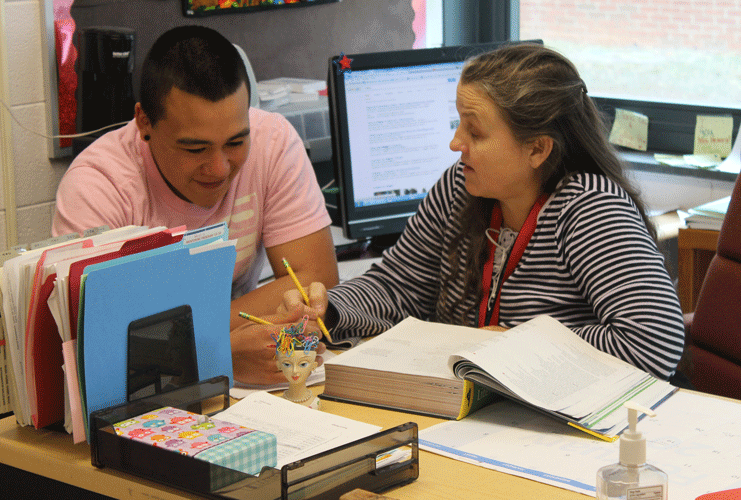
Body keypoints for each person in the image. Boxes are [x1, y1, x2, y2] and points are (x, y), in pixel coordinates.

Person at [278, 43, 686, 381]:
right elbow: (398, 287)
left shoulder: (589, 209)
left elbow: (652, 343)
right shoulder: (460, 187)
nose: (456, 143)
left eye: (475, 132)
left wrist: (517, 343)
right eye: (459, 124)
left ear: (537, 149)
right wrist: (329, 308)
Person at [52, 25, 337, 385]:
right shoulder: (98, 186)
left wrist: (191, 339)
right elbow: (98, 346)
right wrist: (216, 351)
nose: (219, 168)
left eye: (235, 142)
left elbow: (316, 277)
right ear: (144, 123)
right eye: (195, 149)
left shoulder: (273, 141)